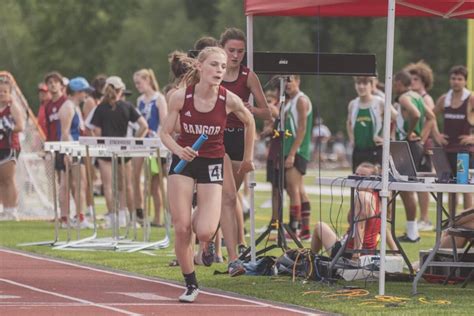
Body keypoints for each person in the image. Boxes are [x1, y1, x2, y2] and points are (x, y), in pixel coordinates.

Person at [160, 46, 255, 302]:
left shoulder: (228, 99)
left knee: (204, 231)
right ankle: (191, 284)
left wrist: (247, 158)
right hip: (184, 163)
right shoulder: (180, 97)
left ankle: (204, 237)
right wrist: (180, 150)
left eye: (223, 67)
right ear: (200, 66)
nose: (219, 70)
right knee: (181, 228)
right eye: (214, 65)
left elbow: (250, 121)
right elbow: (165, 133)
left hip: (212, 163)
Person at [219, 27, 271, 273]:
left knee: (229, 198)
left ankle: (212, 242)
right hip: (217, 140)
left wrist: (249, 108)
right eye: (231, 50)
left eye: (240, 51)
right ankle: (232, 257)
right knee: (227, 197)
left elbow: (267, 113)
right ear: (223, 50)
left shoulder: (248, 76)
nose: (236, 55)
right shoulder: (214, 74)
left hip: (241, 138)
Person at [90, 76, 148, 228]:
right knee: (127, 185)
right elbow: (144, 126)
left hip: (106, 150)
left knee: (108, 186)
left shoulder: (101, 107)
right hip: (123, 149)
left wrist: (101, 140)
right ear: (120, 90)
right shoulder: (127, 106)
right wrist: (135, 141)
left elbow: (96, 130)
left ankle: (113, 217)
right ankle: (128, 217)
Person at [393, 70, 437, 243]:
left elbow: (417, 114)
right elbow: (431, 117)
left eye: (394, 83)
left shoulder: (404, 97)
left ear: (399, 83)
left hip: (407, 145)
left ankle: (412, 232)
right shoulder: (417, 96)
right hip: (415, 145)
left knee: (405, 189)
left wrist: (410, 132)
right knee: (406, 188)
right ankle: (412, 231)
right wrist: (422, 138)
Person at [311, 163, 381, 260]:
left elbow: (360, 227)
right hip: (369, 252)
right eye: (356, 175)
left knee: (319, 226)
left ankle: (310, 261)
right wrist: (396, 253)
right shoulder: (379, 197)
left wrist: (356, 256)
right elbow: (384, 229)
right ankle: (311, 260)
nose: (357, 179)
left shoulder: (363, 196)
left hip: (349, 252)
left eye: (363, 176)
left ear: (373, 179)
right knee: (320, 226)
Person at [433, 65, 474, 214]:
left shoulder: (470, 99)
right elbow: (430, 117)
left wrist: (472, 137)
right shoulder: (445, 98)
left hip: (464, 153)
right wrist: (436, 135)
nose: (456, 81)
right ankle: (452, 222)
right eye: (453, 78)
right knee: (451, 189)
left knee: (465, 189)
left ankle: (468, 223)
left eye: (459, 79)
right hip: (447, 150)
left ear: (465, 81)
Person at [132, 69, 168, 227]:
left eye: (139, 82)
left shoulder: (159, 99)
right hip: (142, 144)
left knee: (156, 182)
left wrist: (156, 140)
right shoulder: (140, 100)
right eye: (136, 83)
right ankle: (142, 213)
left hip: (155, 145)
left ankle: (160, 217)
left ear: (148, 80)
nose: (137, 86)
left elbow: (164, 122)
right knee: (140, 179)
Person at [57, 77, 93, 228]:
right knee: (71, 184)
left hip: (75, 148)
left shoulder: (74, 106)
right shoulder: (68, 107)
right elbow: (65, 132)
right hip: (70, 149)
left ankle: (74, 217)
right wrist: (68, 152)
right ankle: (72, 218)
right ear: (78, 92)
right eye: (85, 92)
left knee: (78, 183)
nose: (86, 95)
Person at [405, 61, 436, 231]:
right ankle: (418, 219)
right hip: (414, 143)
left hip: (424, 145)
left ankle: (425, 218)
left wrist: (422, 140)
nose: (413, 82)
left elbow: (430, 121)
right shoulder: (412, 98)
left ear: (423, 81)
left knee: (424, 182)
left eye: (415, 79)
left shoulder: (426, 98)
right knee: (413, 181)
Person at [283, 75, 313, 240]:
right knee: (299, 190)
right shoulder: (291, 101)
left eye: (290, 80)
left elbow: (301, 129)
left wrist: (292, 153)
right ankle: (305, 229)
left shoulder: (301, 100)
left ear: (298, 81)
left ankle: (294, 228)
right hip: (292, 149)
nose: (287, 84)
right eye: (285, 81)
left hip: (297, 150)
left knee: (293, 189)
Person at [346, 76, 385, 173]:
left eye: (365, 83)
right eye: (358, 83)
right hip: (359, 150)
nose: (361, 86)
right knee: (357, 182)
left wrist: (386, 138)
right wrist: (351, 138)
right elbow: (349, 122)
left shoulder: (379, 102)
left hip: (375, 150)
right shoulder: (353, 104)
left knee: (374, 184)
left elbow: (395, 118)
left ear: (372, 86)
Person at [0, 75, 24, 220]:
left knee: (8, 179)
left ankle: (12, 210)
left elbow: (20, 126)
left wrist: (6, 128)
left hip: (9, 146)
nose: (1, 94)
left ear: (9, 93)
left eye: (4, 91)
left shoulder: (12, 107)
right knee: (0, 180)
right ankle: (4, 209)